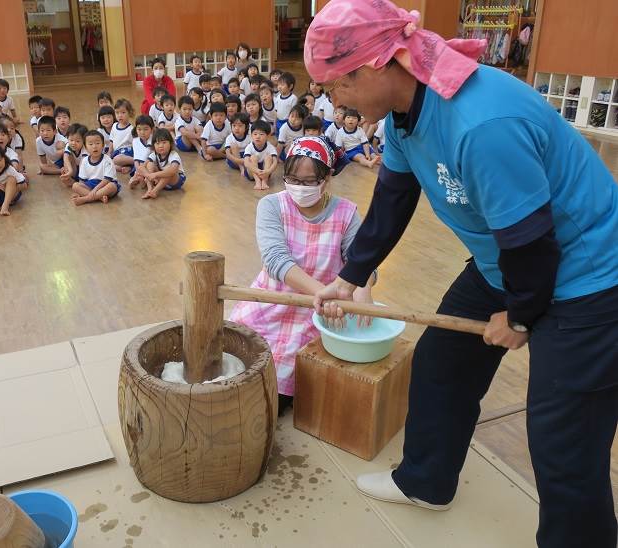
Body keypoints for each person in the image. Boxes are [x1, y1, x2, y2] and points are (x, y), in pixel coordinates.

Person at [305, 2, 618, 546]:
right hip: (512, 261)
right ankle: (425, 481)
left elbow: (534, 242)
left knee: (563, 443)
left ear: (377, 64)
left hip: (590, 279)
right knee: (442, 364)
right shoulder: (406, 110)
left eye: (335, 86)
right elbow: (394, 196)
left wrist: (520, 318)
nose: (333, 101)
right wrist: (350, 276)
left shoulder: (481, 123)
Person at [231, 136, 371, 412]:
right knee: (240, 367)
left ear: (327, 178)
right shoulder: (272, 206)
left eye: (309, 182)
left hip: (318, 315)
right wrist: (325, 293)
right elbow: (276, 261)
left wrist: (364, 293)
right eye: (292, 179)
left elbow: (361, 261)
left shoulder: (345, 212)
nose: (299, 187)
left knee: (281, 393)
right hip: (273, 303)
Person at [72, 130, 119, 205]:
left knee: (112, 186)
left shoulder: (107, 159)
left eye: (97, 143)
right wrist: (80, 192)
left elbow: (107, 180)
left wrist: (94, 190)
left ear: (103, 145)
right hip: (91, 185)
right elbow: (82, 181)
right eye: (90, 144)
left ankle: (86, 199)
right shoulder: (84, 160)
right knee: (75, 185)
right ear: (85, 147)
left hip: (105, 185)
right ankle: (99, 197)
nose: (94, 146)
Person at [142, 128, 185, 199]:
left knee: (169, 171)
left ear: (170, 143)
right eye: (157, 143)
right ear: (153, 145)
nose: (161, 146)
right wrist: (148, 175)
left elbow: (173, 171)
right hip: (161, 180)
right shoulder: (154, 154)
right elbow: (141, 167)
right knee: (149, 164)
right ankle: (150, 189)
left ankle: (155, 191)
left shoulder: (173, 155)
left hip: (175, 181)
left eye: (164, 142)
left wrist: (155, 175)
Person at [243, 120, 278, 190]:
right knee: (253, 157)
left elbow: (275, 162)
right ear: (251, 135)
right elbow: (246, 163)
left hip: (265, 173)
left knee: (269, 157)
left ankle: (264, 182)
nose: (258, 136)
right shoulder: (249, 147)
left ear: (267, 136)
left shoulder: (270, 147)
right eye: (255, 134)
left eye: (261, 134)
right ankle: (258, 181)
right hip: (252, 173)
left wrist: (268, 171)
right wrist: (257, 170)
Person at [110, 99, 135, 174]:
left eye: (123, 112)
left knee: (117, 159)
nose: (120, 115)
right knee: (108, 164)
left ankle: (136, 160)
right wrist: (109, 152)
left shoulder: (131, 129)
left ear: (129, 113)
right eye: (117, 113)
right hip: (117, 152)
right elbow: (112, 139)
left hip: (127, 152)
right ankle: (126, 168)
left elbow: (135, 144)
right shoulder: (114, 125)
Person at [128, 116, 153, 189]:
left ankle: (139, 177)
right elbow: (136, 158)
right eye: (139, 129)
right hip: (139, 166)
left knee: (147, 165)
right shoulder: (135, 140)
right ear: (136, 129)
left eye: (146, 129)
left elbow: (148, 156)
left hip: (150, 163)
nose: (142, 132)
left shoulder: (153, 139)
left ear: (152, 129)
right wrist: (138, 169)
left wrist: (140, 170)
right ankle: (140, 177)